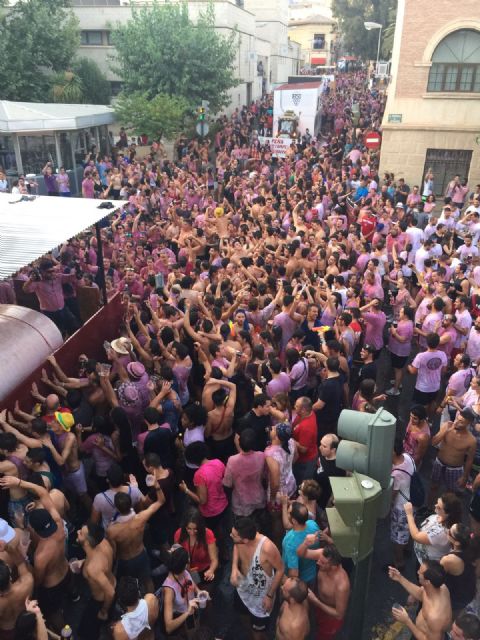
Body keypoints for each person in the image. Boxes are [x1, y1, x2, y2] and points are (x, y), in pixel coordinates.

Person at [107, 478, 165, 594]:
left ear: (117, 508)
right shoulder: (141, 518)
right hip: (141, 554)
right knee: (148, 581)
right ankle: (152, 602)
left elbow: (113, 552)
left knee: (129, 585)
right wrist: (157, 486)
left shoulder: (111, 530)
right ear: (130, 504)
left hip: (125, 560)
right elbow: (160, 501)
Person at [230, 517, 284, 640]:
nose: (230, 536)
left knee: (258, 633)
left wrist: (270, 596)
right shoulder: (239, 541)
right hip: (243, 587)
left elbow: (280, 569)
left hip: (261, 595)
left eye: (233, 535)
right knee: (242, 615)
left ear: (245, 540)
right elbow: (236, 547)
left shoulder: (267, 548)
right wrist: (234, 568)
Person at [296, 540, 350, 640]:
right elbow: (300, 553)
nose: (318, 562)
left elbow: (339, 614)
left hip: (330, 619)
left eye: (323, 562)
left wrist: (316, 601)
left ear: (333, 565)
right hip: (318, 606)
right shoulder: (323, 555)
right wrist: (306, 542)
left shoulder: (341, 585)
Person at [389, 561, 452, 640]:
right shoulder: (440, 587)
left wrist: (407, 620)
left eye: (420, 572)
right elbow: (421, 593)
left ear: (427, 582)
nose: (418, 572)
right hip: (423, 630)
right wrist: (399, 578)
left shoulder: (435, 617)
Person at [76, 521, 116, 639]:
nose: (77, 532)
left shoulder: (93, 568)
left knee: (86, 632)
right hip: (112, 581)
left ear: (87, 542)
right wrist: (83, 561)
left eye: (81, 533)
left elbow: (110, 592)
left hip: (101, 600)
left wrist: (103, 611)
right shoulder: (103, 542)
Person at [429, 408, 476, 504]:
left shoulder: (471, 440)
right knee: (433, 487)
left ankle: (445, 514)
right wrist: (445, 431)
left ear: (468, 423)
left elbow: (469, 460)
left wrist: (465, 477)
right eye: (459, 418)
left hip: (455, 469)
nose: (459, 421)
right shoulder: (447, 425)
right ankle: (429, 508)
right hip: (439, 463)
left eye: (462, 421)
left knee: (450, 494)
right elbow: (433, 442)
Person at [181, 442, 228, 536]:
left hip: (210, 512)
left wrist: (186, 490)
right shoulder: (218, 462)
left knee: (211, 534)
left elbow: (202, 500)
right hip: (224, 504)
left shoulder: (199, 474)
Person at [405, 493, 463, 563]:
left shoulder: (441, 533)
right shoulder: (440, 516)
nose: (435, 505)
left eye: (439, 507)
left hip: (427, 563)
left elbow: (416, 536)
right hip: (422, 554)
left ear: (448, 514)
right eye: (437, 503)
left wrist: (409, 514)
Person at [223, 428, 266, 521]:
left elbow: (227, 483)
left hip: (240, 501)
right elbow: (265, 475)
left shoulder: (232, 460)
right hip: (258, 497)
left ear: (239, 442)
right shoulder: (261, 456)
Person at [162, 546, 201, 636]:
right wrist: (188, 613)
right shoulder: (169, 589)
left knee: (196, 632)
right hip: (182, 619)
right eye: (188, 560)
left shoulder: (185, 571)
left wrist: (198, 591)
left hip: (193, 611)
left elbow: (191, 582)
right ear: (184, 565)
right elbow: (169, 627)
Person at [0, 536, 34, 639]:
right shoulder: (27, 582)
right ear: (10, 574)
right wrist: (7, 548)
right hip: (27, 619)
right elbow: (20, 563)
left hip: (8, 632)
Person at [173, 509, 219, 585]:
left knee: (205, 590)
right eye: (189, 528)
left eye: (195, 529)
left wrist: (211, 570)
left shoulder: (207, 534)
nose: (191, 532)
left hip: (204, 570)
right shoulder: (179, 534)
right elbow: (177, 555)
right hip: (185, 571)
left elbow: (214, 559)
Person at [440, 523, 477, 615]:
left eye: (449, 532)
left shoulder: (449, 560)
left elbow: (437, 576)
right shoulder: (472, 548)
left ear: (457, 542)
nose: (447, 531)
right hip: (469, 591)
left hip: (455, 597)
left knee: (449, 614)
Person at [408, 333, 448, 414]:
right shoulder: (442, 354)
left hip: (422, 387)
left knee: (421, 405)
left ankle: (423, 419)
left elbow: (413, 371)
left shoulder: (421, 356)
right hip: (435, 385)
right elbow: (444, 370)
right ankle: (429, 419)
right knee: (432, 402)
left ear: (427, 343)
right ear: (438, 343)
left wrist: (408, 366)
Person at [281, 502, 319, 587]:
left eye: (288, 512)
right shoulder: (313, 524)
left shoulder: (290, 542)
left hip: (301, 582)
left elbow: (294, 575)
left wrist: (282, 578)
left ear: (294, 521)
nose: (287, 513)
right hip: (312, 573)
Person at [292, 397, 318, 484]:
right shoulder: (309, 413)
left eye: (296, 406)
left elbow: (303, 449)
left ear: (303, 410)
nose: (294, 407)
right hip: (303, 459)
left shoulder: (306, 427)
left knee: (300, 483)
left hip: (304, 462)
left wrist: (291, 440)